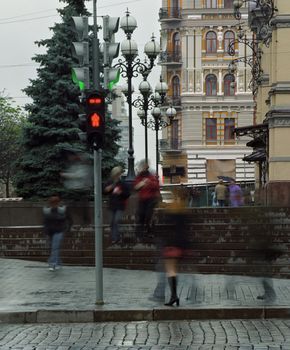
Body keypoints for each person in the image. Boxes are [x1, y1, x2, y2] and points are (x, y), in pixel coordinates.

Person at [162, 190, 189, 306]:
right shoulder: (184, 211)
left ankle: (174, 296)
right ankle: (174, 296)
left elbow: (168, 226)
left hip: (172, 243)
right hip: (181, 243)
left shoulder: (173, 211)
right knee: (173, 270)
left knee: (170, 270)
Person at [43, 195, 72, 271]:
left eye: (55, 203)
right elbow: (45, 222)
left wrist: (68, 228)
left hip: (59, 231)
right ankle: (58, 263)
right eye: (52, 203)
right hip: (50, 232)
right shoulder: (48, 211)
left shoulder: (62, 210)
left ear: (58, 203)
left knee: (55, 248)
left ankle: (52, 264)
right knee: (54, 248)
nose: (54, 204)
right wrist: (45, 231)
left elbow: (70, 219)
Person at [134, 160, 160, 240]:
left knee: (148, 216)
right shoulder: (139, 177)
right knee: (141, 215)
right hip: (142, 199)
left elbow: (156, 186)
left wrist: (149, 183)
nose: (142, 169)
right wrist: (142, 184)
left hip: (151, 199)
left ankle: (149, 232)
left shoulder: (151, 176)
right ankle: (140, 233)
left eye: (144, 167)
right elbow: (136, 187)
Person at [104, 166, 131, 245]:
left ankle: (115, 238)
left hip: (120, 206)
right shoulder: (110, 182)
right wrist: (109, 188)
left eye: (119, 174)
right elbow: (104, 191)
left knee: (116, 220)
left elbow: (127, 194)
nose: (118, 175)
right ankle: (115, 237)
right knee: (112, 222)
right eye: (117, 174)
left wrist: (120, 193)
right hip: (112, 205)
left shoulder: (122, 183)